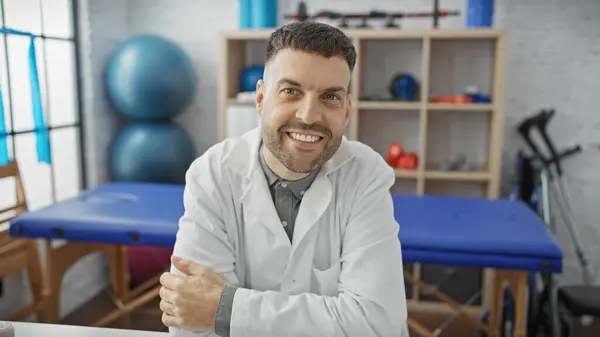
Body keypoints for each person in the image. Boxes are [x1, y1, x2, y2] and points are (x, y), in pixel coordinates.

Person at [158, 21, 409, 337]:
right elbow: (190, 324)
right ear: (261, 99)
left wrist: (227, 309)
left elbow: (377, 324)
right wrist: (334, 319)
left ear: (346, 110)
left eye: (330, 97)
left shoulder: (366, 175)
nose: (308, 115)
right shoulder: (213, 174)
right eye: (291, 91)